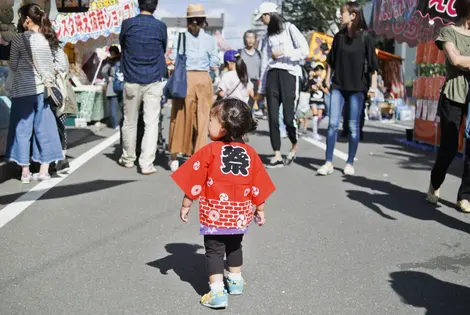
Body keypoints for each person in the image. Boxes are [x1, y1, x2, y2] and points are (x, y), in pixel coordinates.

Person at [171, 98, 275, 309]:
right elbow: (258, 184)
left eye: (211, 119)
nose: (208, 123)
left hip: (215, 213)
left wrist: (186, 203)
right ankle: (235, 281)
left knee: (215, 250)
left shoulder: (211, 150)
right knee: (235, 244)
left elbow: (195, 180)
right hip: (239, 213)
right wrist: (260, 209)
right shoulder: (251, 154)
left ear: (224, 126)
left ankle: (217, 292)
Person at [5, 3, 65, 183]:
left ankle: (25, 172)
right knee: (44, 130)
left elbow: (13, 65)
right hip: (43, 92)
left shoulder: (18, 39)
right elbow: (58, 65)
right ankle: (44, 171)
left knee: (22, 131)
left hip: (22, 91)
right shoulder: (47, 39)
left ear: (27, 19)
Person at [317, 1, 379, 176]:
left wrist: (373, 87)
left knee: (353, 126)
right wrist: (327, 79)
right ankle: (328, 162)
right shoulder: (339, 36)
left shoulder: (366, 37)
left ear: (353, 15)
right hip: (338, 85)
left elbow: (374, 65)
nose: (340, 15)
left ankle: (350, 162)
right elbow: (331, 61)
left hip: (358, 87)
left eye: (342, 12)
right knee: (332, 124)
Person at [427, 0, 470, 213]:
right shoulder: (448, 31)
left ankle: (465, 195)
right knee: (449, 148)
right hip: (453, 95)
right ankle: (435, 184)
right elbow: (455, 60)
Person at [256, 2, 310, 168]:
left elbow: (305, 51)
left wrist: (285, 53)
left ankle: (294, 143)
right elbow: (265, 62)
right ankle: (277, 154)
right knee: (272, 116)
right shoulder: (267, 36)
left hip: (289, 74)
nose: (262, 21)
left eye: (263, 17)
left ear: (269, 15)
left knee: (288, 117)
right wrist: (261, 89)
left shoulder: (289, 28)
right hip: (272, 75)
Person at [168, 4, 220, 172]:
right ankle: (199, 157)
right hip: (204, 78)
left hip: (185, 77)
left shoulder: (181, 37)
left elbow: (173, 56)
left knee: (181, 116)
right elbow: (215, 61)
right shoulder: (210, 39)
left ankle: (175, 155)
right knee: (203, 119)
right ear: (204, 21)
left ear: (188, 20)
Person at [118, 0, 167, 175]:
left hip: (131, 78)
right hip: (153, 79)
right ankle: (146, 164)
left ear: (139, 5)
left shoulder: (128, 24)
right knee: (151, 123)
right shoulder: (160, 26)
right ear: (155, 6)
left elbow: (123, 45)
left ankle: (128, 158)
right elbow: (163, 48)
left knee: (129, 122)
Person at [239, 30, 265, 118]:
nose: (250, 40)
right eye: (248, 37)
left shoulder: (259, 54)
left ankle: (249, 123)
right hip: (243, 82)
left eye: (252, 38)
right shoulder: (240, 53)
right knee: (243, 104)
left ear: (255, 40)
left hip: (255, 82)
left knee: (252, 104)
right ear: (244, 39)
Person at [101, 45, 121, 130]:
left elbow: (103, 71)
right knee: (122, 106)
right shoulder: (123, 59)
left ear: (112, 53)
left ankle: (115, 124)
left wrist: (107, 78)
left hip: (112, 84)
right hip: (122, 84)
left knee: (113, 106)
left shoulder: (111, 61)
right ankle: (122, 122)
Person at [309, 62, 328, 140]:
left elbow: (327, 92)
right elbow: (307, 88)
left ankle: (316, 130)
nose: (318, 72)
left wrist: (321, 87)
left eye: (320, 70)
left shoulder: (324, 80)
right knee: (315, 116)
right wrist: (312, 88)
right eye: (317, 70)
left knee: (320, 117)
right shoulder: (311, 79)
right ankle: (315, 133)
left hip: (321, 100)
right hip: (313, 100)